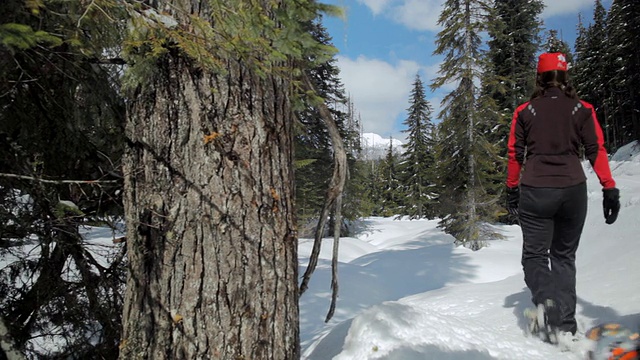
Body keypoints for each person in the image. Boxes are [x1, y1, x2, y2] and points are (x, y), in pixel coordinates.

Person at [505, 52, 621, 339]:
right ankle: (566, 326)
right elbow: (597, 149)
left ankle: (546, 302)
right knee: (564, 257)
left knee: (534, 256)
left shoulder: (525, 111)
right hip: (573, 191)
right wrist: (609, 187)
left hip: (536, 189)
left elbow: (514, 154)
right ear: (565, 76)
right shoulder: (582, 109)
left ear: (539, 78)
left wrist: (511, 188)